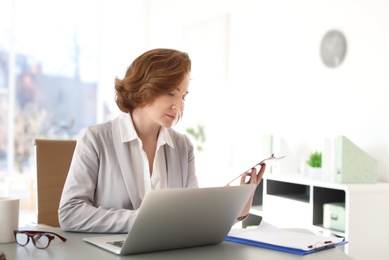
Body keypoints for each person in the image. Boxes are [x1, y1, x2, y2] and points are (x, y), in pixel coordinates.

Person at [58, 48, 266, 233]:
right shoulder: (95, 139)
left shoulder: (183, 147)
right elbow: (71, 213)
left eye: (183, 96)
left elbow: (191, 217)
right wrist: (145, 220)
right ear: (143, 88)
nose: (180, 106)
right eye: (170, 93)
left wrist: (237, 209)